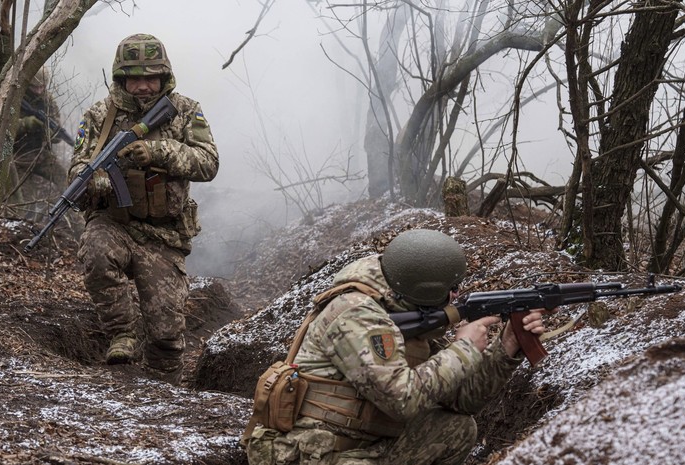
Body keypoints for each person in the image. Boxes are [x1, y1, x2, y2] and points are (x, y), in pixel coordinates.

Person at [244, 229, 550, 465]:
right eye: (451, 290)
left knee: (457, 428)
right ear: (425, 291)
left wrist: (506, 346)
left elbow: (461, 400)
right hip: (308, 454)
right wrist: (464, 349)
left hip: (356, 444)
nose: (455, 296)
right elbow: (403, 399)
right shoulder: (356, 314)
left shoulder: (400, 308)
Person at [69, 33, 219, 384]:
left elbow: (209, 162)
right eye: (134, 78)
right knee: (95, 251)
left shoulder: (185, 110)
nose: (143, 86)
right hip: (115, 223)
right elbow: (77, 165)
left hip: (164, 233)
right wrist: (94, 180)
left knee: (167, 334)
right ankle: (122, 333)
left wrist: (161, 153)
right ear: (121, 79)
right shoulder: (98, 116)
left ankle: (162, 389)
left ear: (164, 77)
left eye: (151, 77)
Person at [10, 67, 68, 218]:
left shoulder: (48, 101)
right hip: (16, 159)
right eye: (35, 87)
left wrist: (49, 132)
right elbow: (1, 129)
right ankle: (26, 232)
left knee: (65, 180)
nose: (39, 90)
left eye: (42, 87)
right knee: (26, 204)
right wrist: (25, 124)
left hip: (41, 155)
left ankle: (75, 219)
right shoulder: (15, 97)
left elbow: (57, 133)